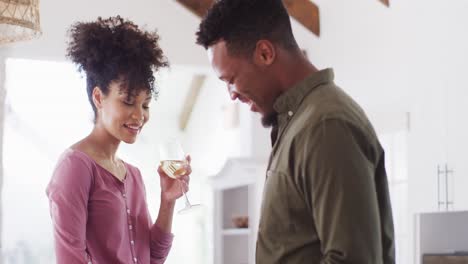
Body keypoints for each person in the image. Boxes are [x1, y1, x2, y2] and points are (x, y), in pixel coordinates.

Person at [196, 0, 395, 263]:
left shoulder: (326, 125)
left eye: (231, 80)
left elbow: (352, 259)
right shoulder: (299, 122)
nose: (232, 95)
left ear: (265, 53)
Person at [46, 16, 191, 264]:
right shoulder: (75, 168)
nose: (140, 115)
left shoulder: (132, 175)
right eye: (128, 101)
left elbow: (153, 258)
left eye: (145, 104)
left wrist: (167, 201)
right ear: (99, 98)